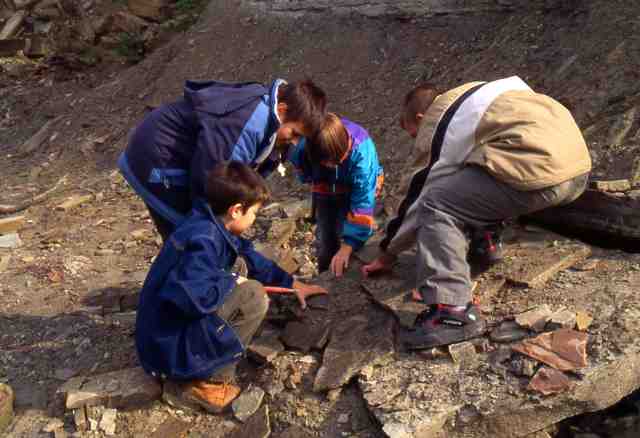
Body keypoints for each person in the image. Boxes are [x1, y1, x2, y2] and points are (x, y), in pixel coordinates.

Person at [363, 76, 592, 349]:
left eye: (412, 131)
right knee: (477, 167)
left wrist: (388, 251)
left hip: (540, 174)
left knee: (436, 202)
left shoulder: (441, 118)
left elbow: (420, 189)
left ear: (422, 116)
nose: (415, 139)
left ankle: (452, 310)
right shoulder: (489, 92)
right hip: (577, 170)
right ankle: (485, 245)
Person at [135, 161, 327, 413]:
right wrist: (232, 282)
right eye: (255, 212)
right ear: (236, 210)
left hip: (161, 335)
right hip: (164, 348)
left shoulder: (209, 222)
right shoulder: (203, 241)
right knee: (253, 296)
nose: (255, 218)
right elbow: (193, 298)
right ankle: (201, 384)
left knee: (241, 272)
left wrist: (292, 283)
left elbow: (248, 257)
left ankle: (198, 367)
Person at [118, 79, 327, 240]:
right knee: (189, 234)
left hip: (175, 154)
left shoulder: (273, 125)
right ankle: (179, 288)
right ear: (282, 110)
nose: (294, 142)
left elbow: (247, 176)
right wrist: (223, 232)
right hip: (157, 156)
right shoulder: (248, 125)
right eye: (294, 134)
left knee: (202, 233)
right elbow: (213, 182)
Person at [289, 113, 384, 276]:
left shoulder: (361, 156)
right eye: (324, 162)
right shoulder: (303, 148)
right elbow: (302, 170)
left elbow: (362, 204)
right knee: (326, 239)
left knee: (352, 239)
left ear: (345, 148)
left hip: (354, 187)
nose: (330, 165)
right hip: (324, 189)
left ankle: (350, 268)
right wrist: (311, 177)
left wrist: (348, 245)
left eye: (336, 161)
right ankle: (325, 273)